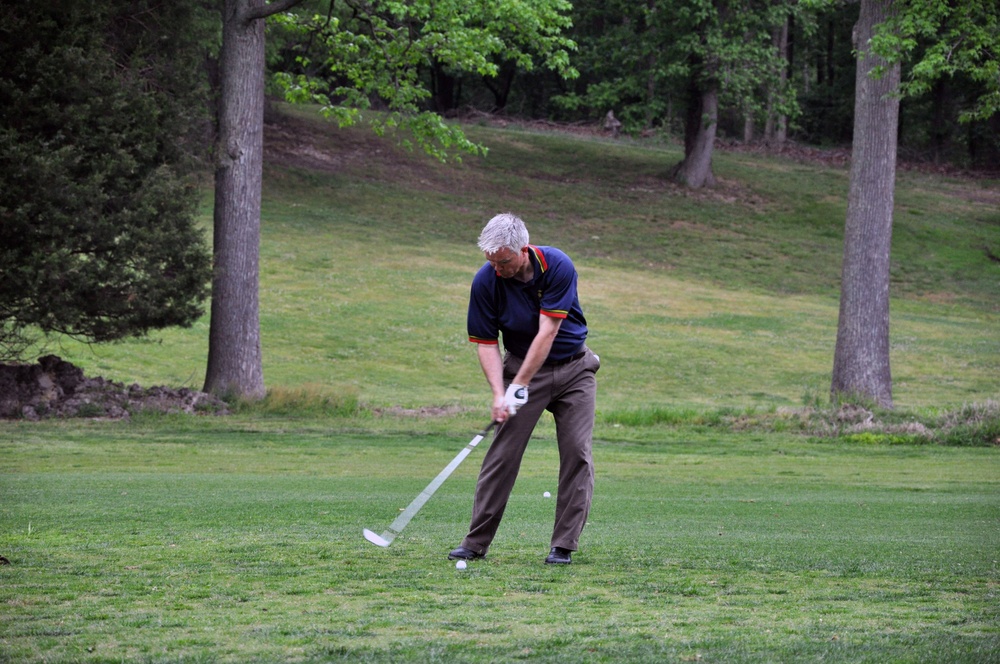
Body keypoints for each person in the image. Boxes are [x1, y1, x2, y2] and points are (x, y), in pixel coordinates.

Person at [448, 213, 600, 565]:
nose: (497, 268)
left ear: (524, 250)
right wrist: (500, 392)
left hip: (574, 369)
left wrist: (518, 385)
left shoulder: (557, 265)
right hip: (519, 366)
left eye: (504, 261)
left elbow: (547, 332)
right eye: (491, 261)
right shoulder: (486, 281)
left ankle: (563, 545)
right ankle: (476, 542)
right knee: (503, 455)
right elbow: (486, 343)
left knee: (577, 453)